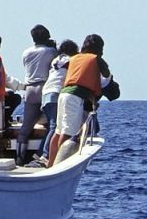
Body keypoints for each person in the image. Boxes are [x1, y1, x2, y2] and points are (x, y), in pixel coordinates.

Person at [47, 34, 113, 168]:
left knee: (58, 131)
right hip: (75, 97)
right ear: (99, 48)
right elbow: (106, 76)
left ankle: (50, 163)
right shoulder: (96, 59)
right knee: (67, 133)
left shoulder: (74, 57)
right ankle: (60, 166)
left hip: (63, 94)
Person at [15, 24, 57, 165]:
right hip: (45, 88)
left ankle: (20, 158)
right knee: (52, 124)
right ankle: (43, 154)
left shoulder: (26, 52)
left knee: (26, 127)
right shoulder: (51, 51)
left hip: (30, 90)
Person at [33, 39, 78, 166]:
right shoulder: (67, 60)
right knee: (55, 127)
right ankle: (45, 155)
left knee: (51, 127)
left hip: (46, 93)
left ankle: (40, 153)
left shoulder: (56, 60)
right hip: (55, 93)